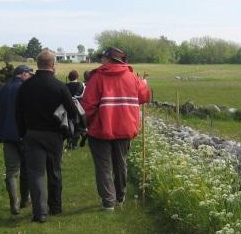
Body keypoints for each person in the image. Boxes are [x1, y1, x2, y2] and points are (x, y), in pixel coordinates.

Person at [80, 46, 151, 211]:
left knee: (103, 166)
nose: (101, 61)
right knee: (121, 163)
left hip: (100, 130)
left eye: (102, 58)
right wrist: (145, 84)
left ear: (108, 59)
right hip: (125, 128)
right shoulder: (132, 77)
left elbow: (88, 106)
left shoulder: (97, 77)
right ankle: (120, 196)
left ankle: (108, 202)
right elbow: (145, 96)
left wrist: (89, 123)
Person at [15, 49, 80, 223]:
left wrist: (23, 133)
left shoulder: (25, 86)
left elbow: (18, 113)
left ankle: (40, 213)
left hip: (32, 134)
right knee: (54, 171)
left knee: (36, 173)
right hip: (54, 134)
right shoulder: (59, 86)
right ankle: (56, 207)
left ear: (37, 64)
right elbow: (73, 112)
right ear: (52, 65)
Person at [0, 64, 34, 215]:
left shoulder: (3, 89)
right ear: (23, 74)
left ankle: (14, 203)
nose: (31, 77)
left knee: (11, 170)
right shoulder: (27, 89)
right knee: (26, 168)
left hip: (6, 135)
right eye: (29, 74)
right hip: (24, 134)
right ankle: (25, 199)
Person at [65, 70, 87, 151]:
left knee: (69, 125)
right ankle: (75, 144)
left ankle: (69, 144)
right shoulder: (82, 85)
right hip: (79, 108)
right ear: (77, 77)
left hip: (68, 108)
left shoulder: (65, 85)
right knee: (78, 126)